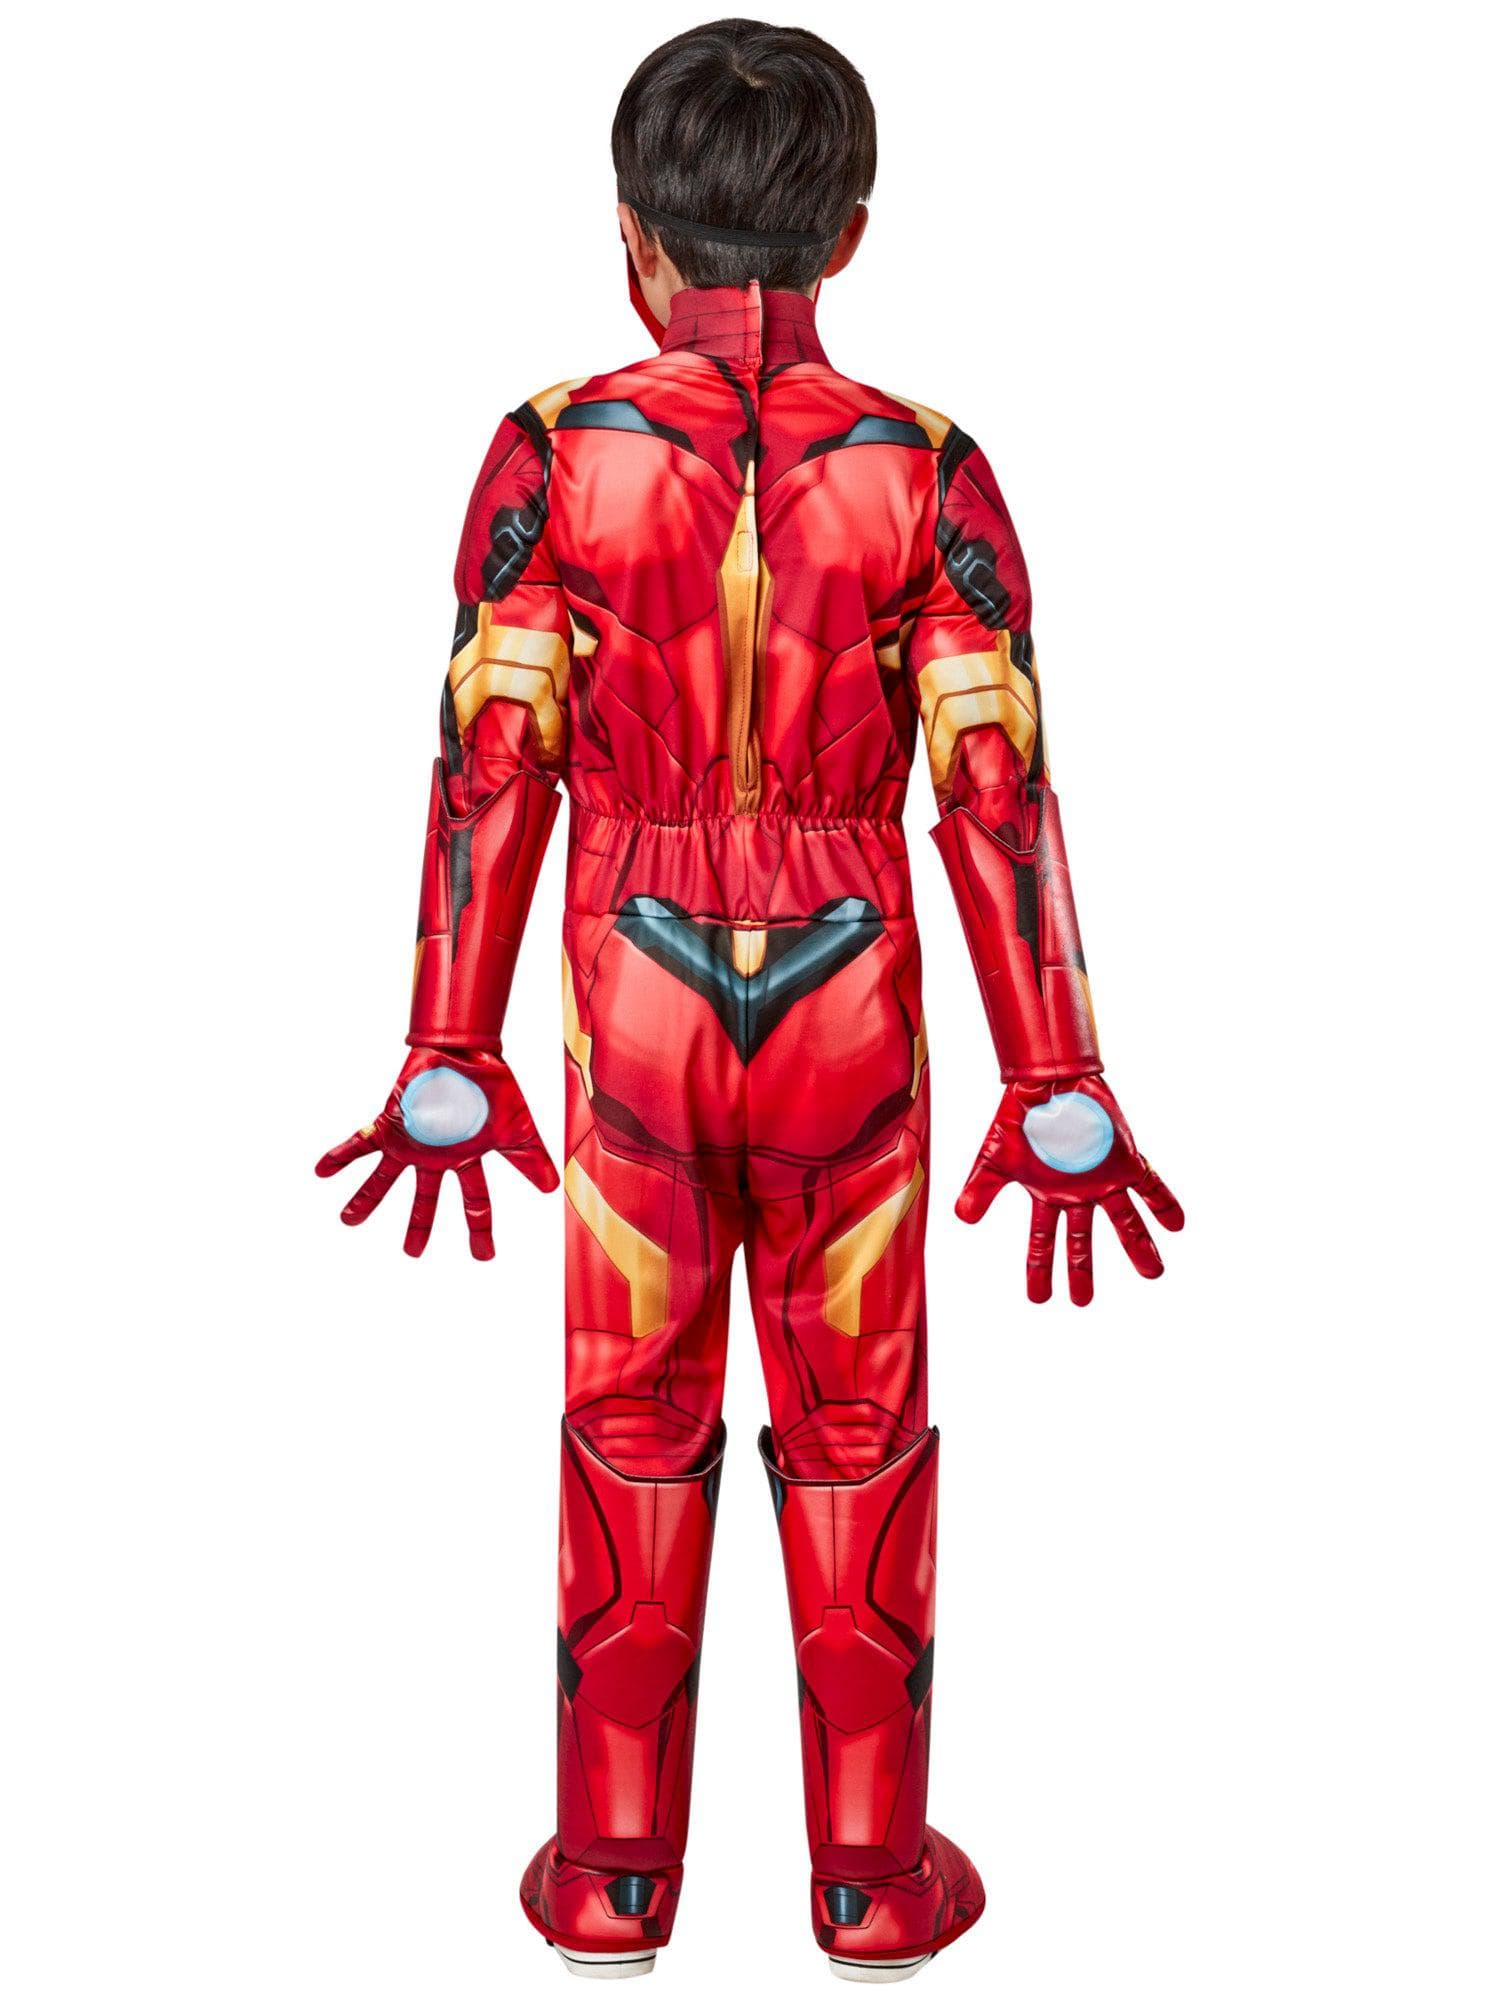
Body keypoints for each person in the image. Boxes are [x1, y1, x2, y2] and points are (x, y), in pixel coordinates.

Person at [317, 18, 1183, 1983]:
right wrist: (1057, 1069)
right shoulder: (928, 469)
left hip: (630, 985)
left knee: (629, 1412)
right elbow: (993, 778)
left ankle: (612, 1874)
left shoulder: (551, 448)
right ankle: (870, 1882)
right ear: (852, 233)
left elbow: (494, 754)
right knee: (859, 1419)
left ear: (630, 231)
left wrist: (449, 1037)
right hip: (849, 989)